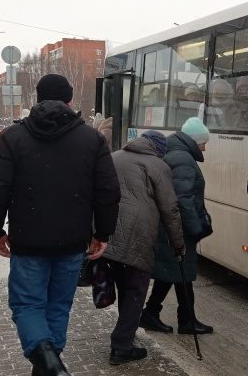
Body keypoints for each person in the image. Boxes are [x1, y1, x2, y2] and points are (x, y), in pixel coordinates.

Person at [0, 73, 121, 376]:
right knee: (58, 305)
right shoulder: (92, 138)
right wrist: (103, 233)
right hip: (73, 241)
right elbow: (108, 191)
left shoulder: (12, 136)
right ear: (70, 100)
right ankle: (51, 364)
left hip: (28, 240)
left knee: (28, 305)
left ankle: (48, 364)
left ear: (38, 98)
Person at [102, 130, 185, 365]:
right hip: (138, 233)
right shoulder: (158, 166)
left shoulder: (114, 156)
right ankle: (121, 346)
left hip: (108, 230)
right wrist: (178, 243)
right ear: (158, 150)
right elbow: (170, 209)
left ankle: (125, 334)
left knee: (124, 287)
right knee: (136, 291)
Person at [140, 117, 214, 335]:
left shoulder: (174, 152)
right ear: (194, 140)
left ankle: (153, 313)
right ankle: (185, 320)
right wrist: (195, 228)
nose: (204, 148)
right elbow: (182, 199)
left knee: (174, 271)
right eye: (203, 143)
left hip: (168, 224)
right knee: (180, 271)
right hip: (177, 226)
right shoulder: (183, 158)